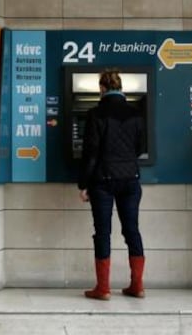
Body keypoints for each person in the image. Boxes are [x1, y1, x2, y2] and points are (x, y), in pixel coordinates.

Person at [77, 70, 147, 300]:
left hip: (103, 180)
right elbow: (140, 148)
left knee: (103, 232)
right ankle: (137, 285)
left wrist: (83, 184)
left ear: (101, 88)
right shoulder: (136, 114)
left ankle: (103, 288)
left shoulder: (95, 114)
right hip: (130, 179)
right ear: (121, 87)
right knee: (132, 230)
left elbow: (91, 153)